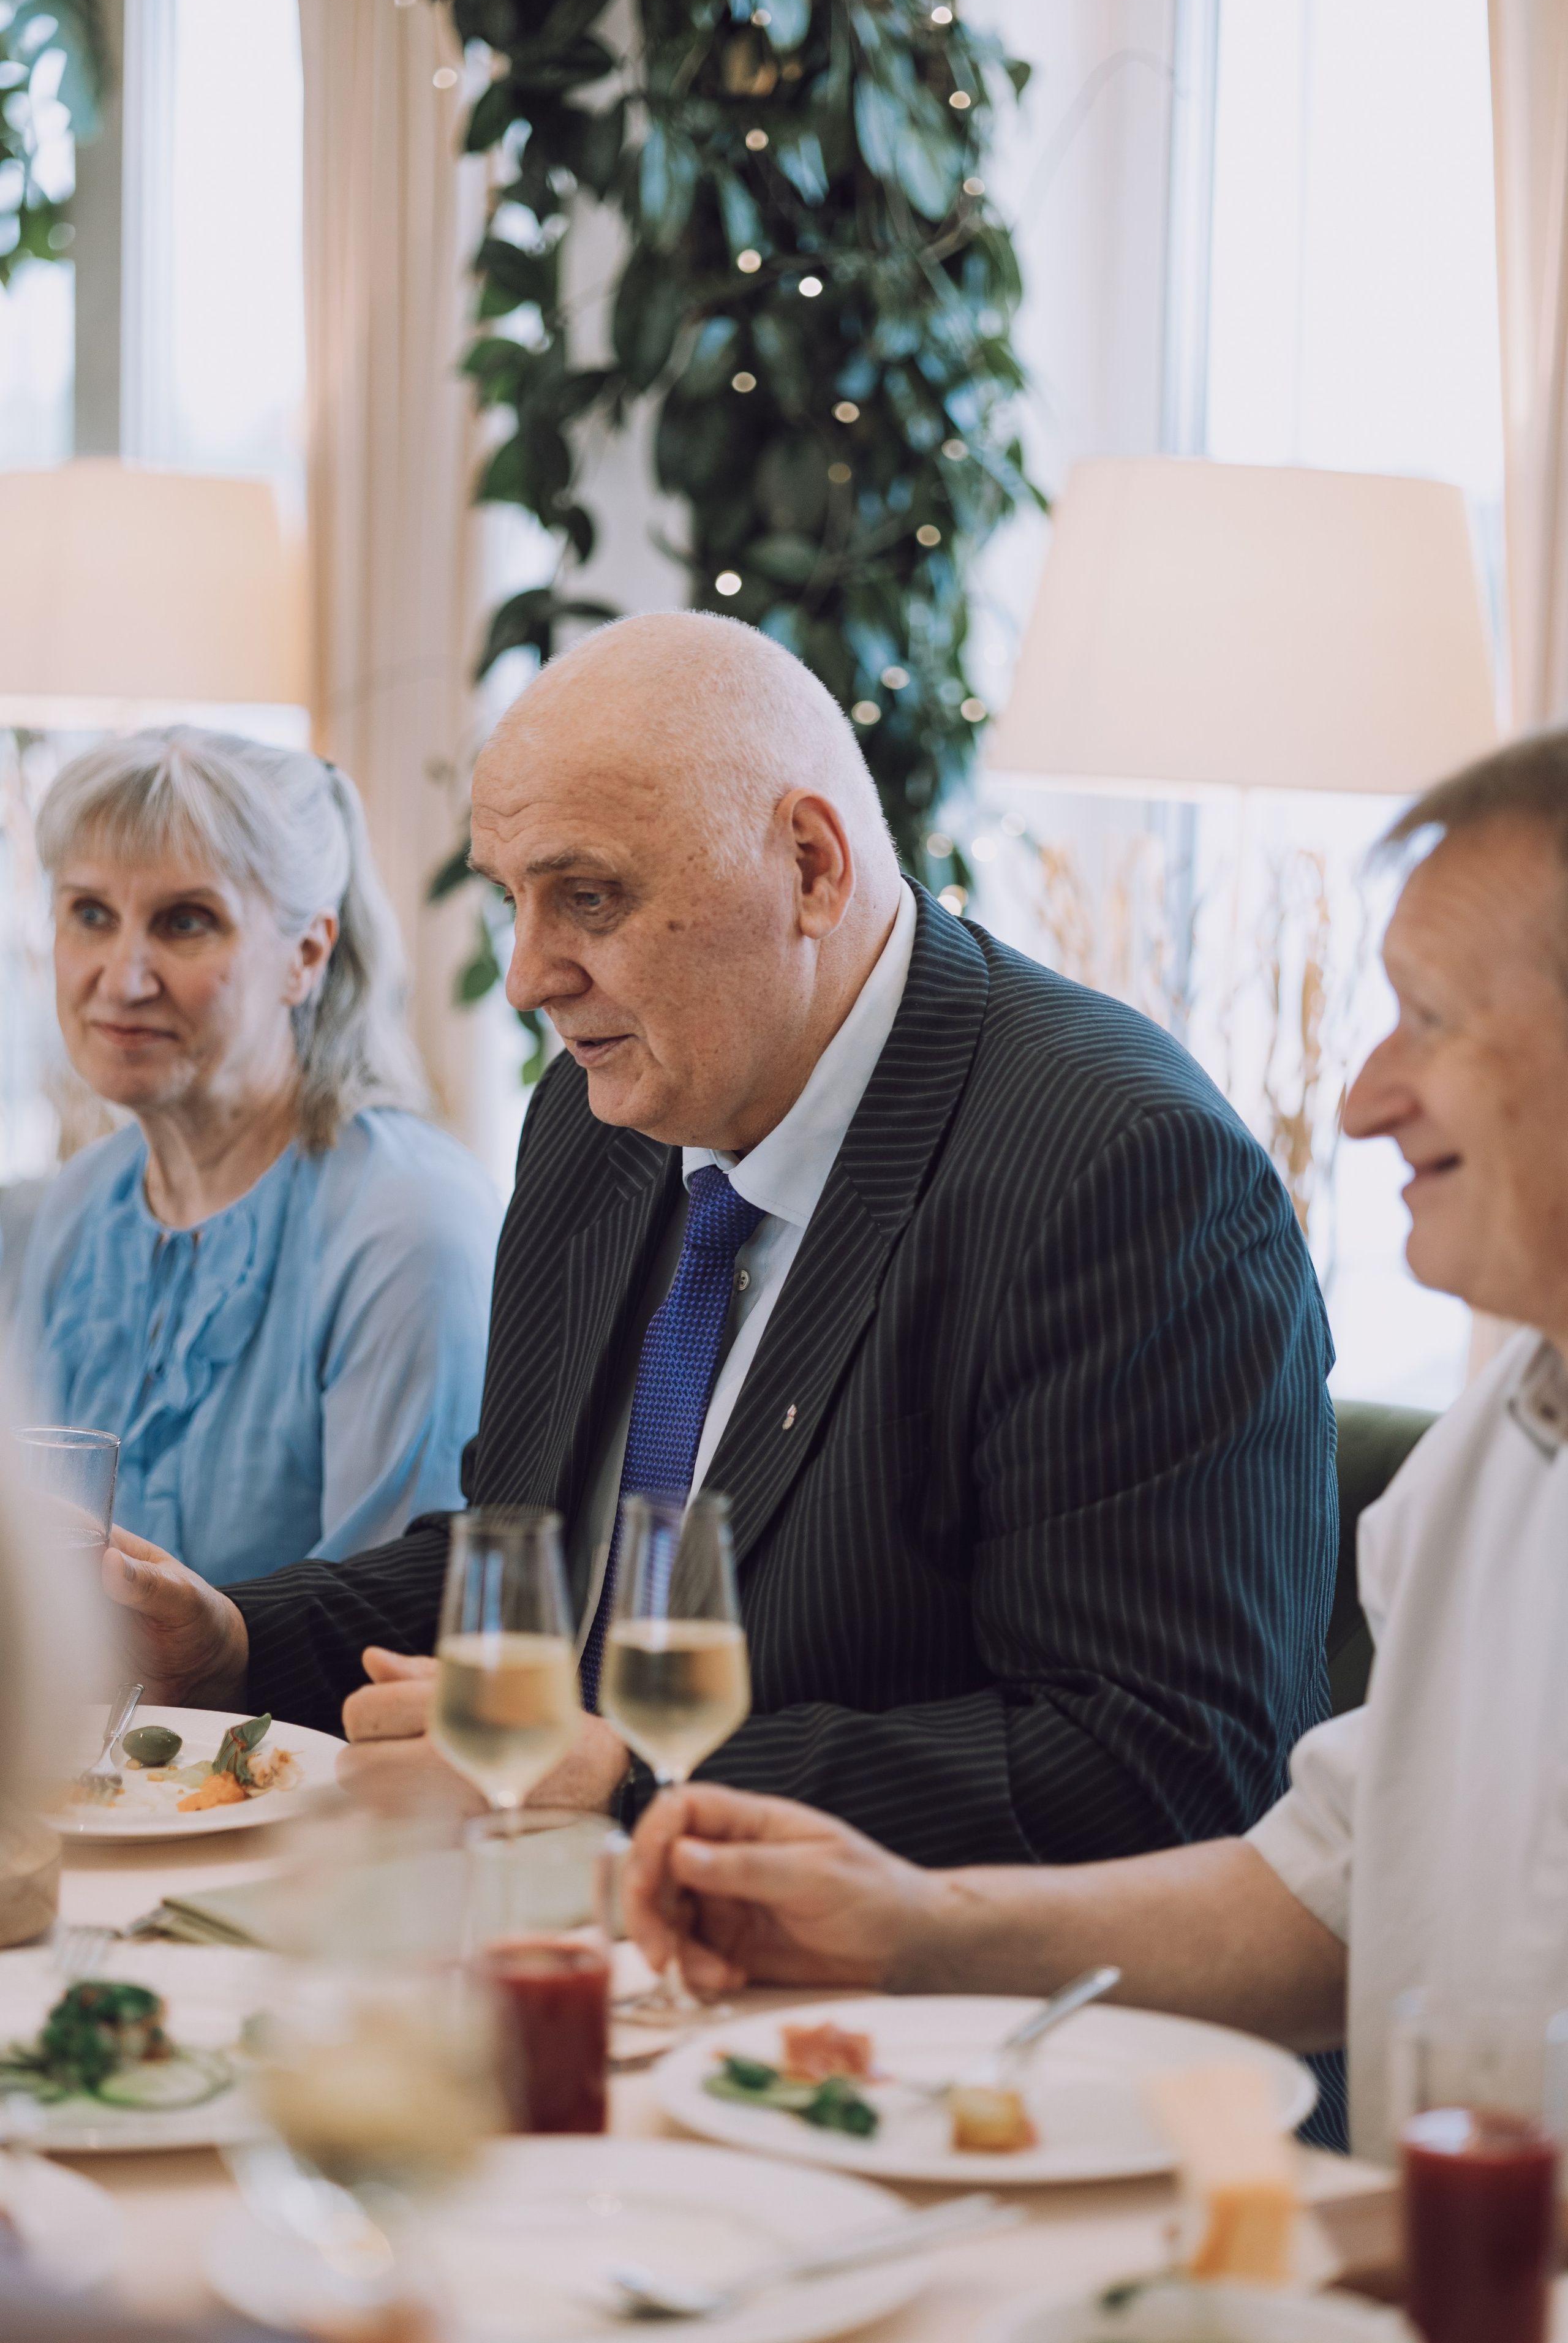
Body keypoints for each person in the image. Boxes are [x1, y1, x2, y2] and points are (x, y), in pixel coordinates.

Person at [102, 613, 1335, 1868]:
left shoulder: (1120, 1171)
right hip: (596, 1940)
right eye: (512, 903)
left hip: (976, 2026)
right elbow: (541, 1569)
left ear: (809, 866)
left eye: (587, 898)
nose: (527, 977)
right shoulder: (600, 1122)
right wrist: (234, 1644)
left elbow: (1166, 1766)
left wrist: (635, 1777)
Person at [619, 730, 1568, 2164]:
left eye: (1427, 1018)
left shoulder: (1111, 1162)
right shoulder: (1490, 1455)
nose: (1369, 1097)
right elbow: (1338, 1891)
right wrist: (911, 1924)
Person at [10, 728, 502, 1586]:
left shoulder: (409, 1228)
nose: (122, 978)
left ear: (306, 955)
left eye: (185, 922)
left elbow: (386, 1626)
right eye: (90, 913)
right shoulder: (81, 1200)